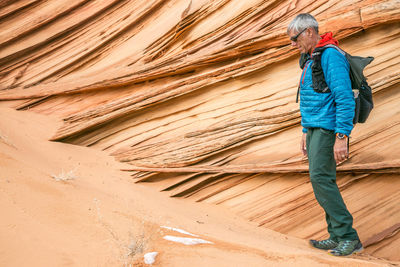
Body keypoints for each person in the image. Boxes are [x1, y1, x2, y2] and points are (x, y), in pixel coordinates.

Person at [287, 13, 363, 256]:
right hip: (315, 128)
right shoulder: (312, 58)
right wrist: (305, 130)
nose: (292, 43)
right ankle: (336, 235)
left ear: (309, 31)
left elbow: (344, 98)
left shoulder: (330, 56)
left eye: (294, 38)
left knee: (321, 179)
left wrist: (342, 137)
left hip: (328, 129)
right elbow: (312, 98)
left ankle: (349, 237)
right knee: (322, 180)